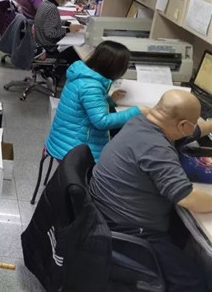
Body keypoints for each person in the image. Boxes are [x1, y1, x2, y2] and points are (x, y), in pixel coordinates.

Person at [90, 90, 212, 292]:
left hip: (108, 211)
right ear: (182, 125)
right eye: (191, 123)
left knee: (184, 234)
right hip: (130, 228)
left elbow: (189, 131)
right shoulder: (156, 148)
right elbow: (187, 197)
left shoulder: (140, 122)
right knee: (192, 281)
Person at [45, 41, 148, 162]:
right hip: (74, 151)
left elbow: (88, 104)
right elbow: (102, 122)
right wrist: (137, 111)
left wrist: (110, 100)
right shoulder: (91, 86)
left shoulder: (83, 75)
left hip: (63, 141)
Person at [33, 0, 83, 64]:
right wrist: (68, 30)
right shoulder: (52, 8)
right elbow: (50, 33)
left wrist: (68, 24)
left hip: (40, 41)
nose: (67, 1)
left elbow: (52, 21)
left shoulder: (45, 3)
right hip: (48, 47)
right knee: (76, 52)